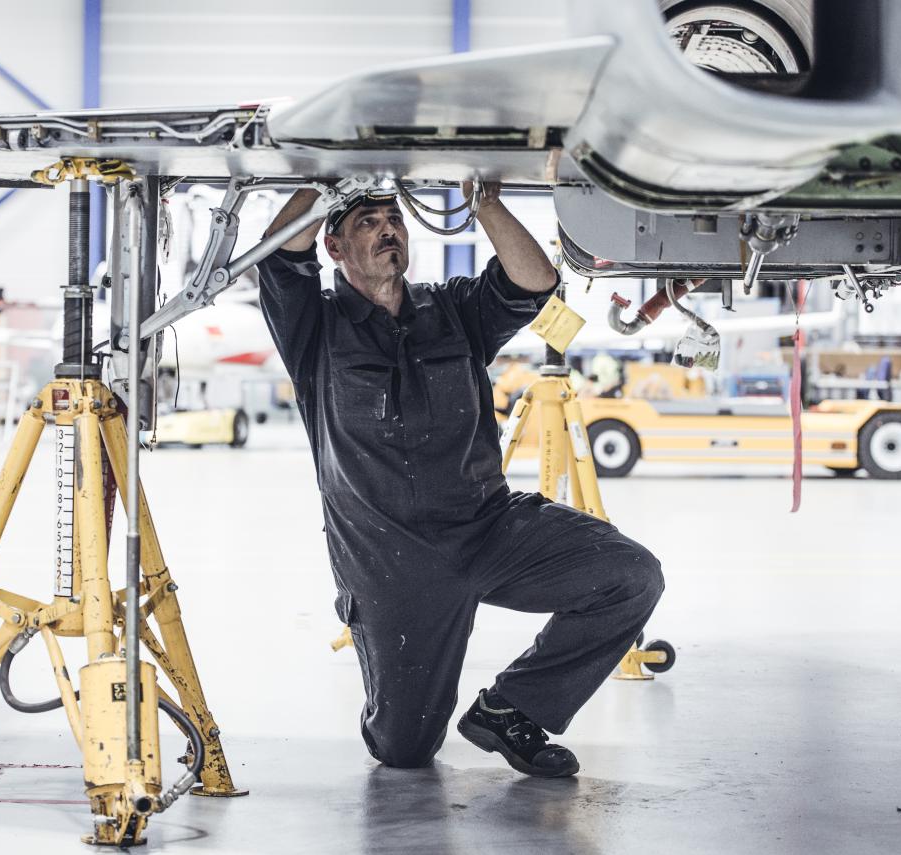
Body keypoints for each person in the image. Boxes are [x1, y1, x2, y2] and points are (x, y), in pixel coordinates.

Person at [256, 181, 664, 778]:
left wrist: (486, 203)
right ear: (335, 248)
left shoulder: (450, 309)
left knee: (630, 576)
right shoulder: (313, 326)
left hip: (489, 527)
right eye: (367, 223)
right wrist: (327, 180)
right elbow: (278, 255)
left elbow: (534, 284)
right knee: (405, 750)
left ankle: (511, 707)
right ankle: (396, 682)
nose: (388, 229)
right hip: (390, 558)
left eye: (392, 218)